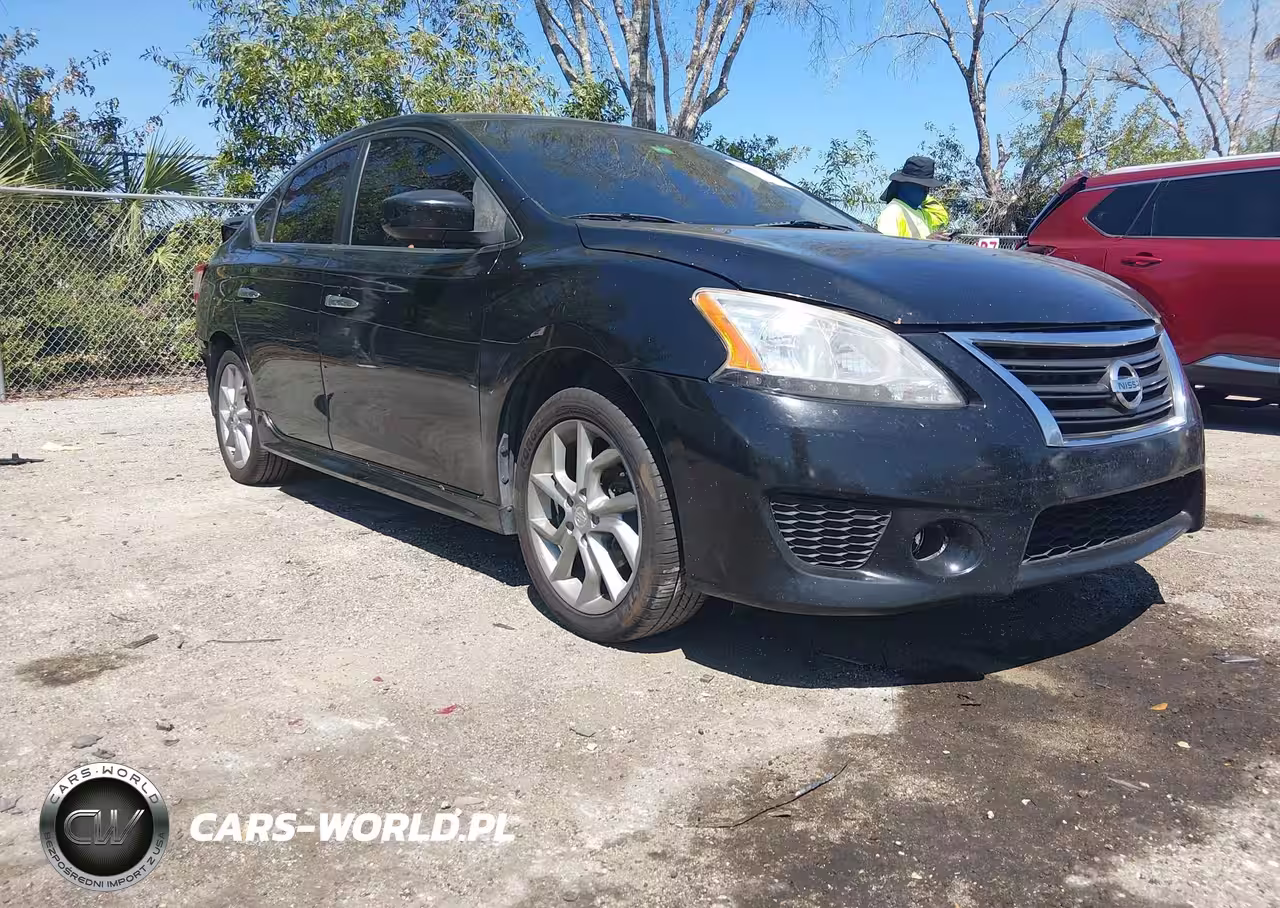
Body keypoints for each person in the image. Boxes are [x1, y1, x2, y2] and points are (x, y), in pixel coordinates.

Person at [876, 156, 950, 239]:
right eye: (921, 186)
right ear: (905, 184)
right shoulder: (893, 211)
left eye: (928, 187)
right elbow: (887, 247)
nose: (926, 191)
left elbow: (941, 216)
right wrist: (927, 242)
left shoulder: (921, 213)